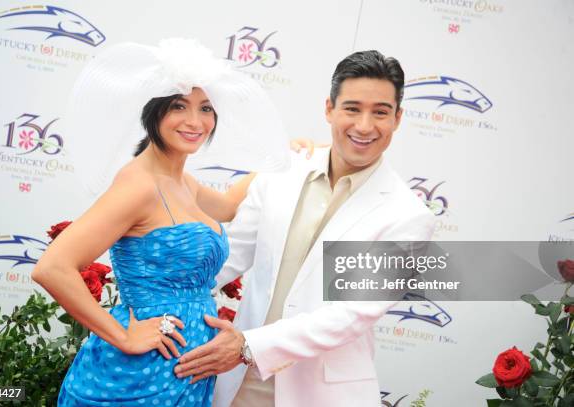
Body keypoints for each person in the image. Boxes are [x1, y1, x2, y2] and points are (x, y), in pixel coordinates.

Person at [31, 38, 302, 406]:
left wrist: (286, 159)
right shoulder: (138, 185)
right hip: (138, 376)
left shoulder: (181, 181)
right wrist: (124, 336)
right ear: (153, 112)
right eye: (179, 106)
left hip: (187, 369)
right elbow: (53, 267)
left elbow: (227, 207)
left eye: (206, 108)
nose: (195, 121)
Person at [174, 50, 436, 407]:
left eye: (380, 112)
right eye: (352, 108)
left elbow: (350, 314)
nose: (364, 125)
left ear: (398, 118)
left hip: (322, 395)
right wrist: (156, 300)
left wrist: (248, 347)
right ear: (329, 108)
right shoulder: (282, 170)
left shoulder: (409, 215)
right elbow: (226, 258)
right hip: (236, 387)